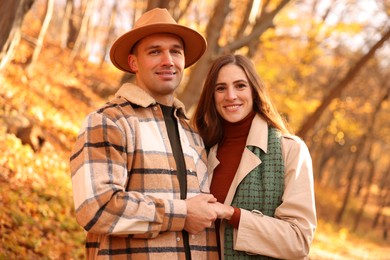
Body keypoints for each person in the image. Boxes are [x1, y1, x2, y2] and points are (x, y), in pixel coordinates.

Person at [69, 8, 219, 260]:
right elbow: (96, 208)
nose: (168, 60)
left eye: (175, 51)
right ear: (133, 62)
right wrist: (181, 214)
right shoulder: (108, 121)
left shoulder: (192, 134)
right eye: (154, 51)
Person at [192, 54, 317, 259]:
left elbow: (299, 240)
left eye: (240, 86)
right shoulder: (198, 149)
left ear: (254, 91)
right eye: (221, 88)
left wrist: (232, 214)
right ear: (211, 96)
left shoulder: (291, 150)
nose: (230, 96)